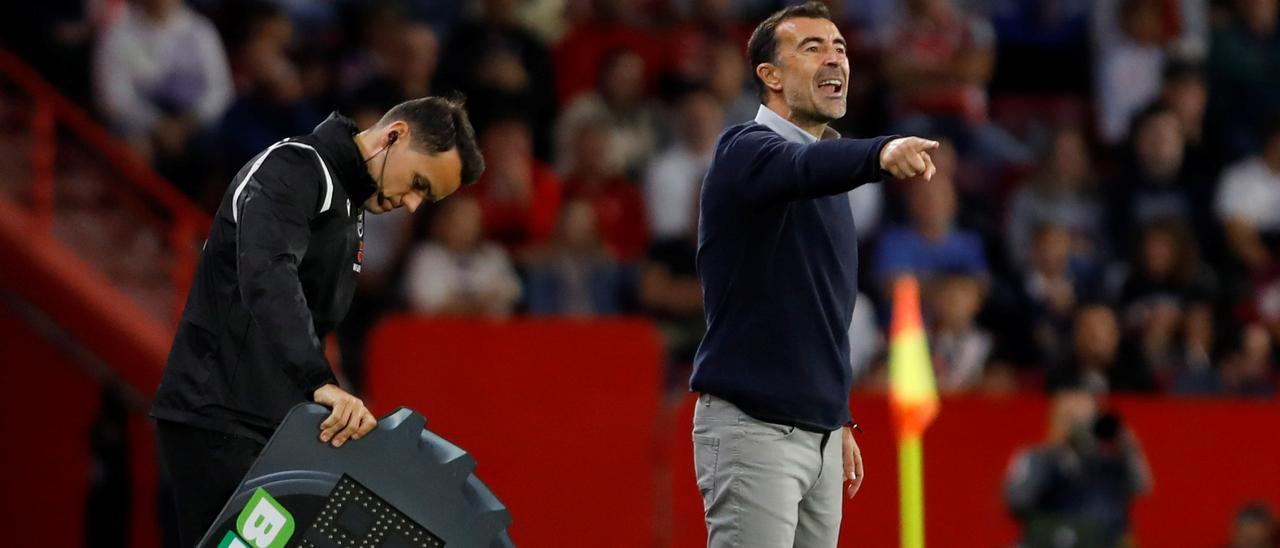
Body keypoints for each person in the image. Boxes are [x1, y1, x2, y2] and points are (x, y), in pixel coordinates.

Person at [150, 95, 484, 546]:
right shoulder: (293, 167)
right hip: (219, 418)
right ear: (395, 135)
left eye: (426, 198)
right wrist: (318, 379)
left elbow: (311, 318)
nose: (411, 205)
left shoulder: (350, 207)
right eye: (418, 184)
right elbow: (268, 272)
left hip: (271, 430)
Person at [690, 3, 940, 546]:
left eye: (841, 48)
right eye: (812, 48)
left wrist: (835, 413)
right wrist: (881, 152)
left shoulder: (826, 177)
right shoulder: (745, 151)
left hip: (820, 435)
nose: (835, 59)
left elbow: (819, 308)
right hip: (755, 429)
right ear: (770, 76)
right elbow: (801, 168)